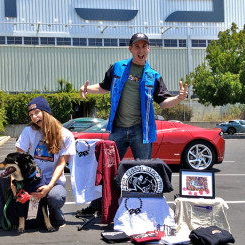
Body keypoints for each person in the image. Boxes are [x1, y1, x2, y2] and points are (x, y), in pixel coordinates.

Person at [76, 33, 188, 216]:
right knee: (106, 170)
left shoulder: (154, 75)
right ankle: (98, 206)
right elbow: (104, 87)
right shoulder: (118, 68)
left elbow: (164, 101)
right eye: (137, 46)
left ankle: (144, 210)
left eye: (144, 46)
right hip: (118, 129)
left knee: (144, 171)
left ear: (148, 49)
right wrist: (87, 89)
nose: (141, 50)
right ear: (131, 49)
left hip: (141, 132)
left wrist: (179, 98)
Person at [0, 96, 76, 229]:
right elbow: (17, 159)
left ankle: (54, 213)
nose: (34, 117)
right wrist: (13, 181)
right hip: (29, 180)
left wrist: (49, 186)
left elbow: (61, 164)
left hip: (52, 182)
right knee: (0, 176)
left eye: (36, 113)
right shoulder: (29, 131)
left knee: (56, 196)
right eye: (30, 115)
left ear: (46, 112)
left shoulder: (66, 135)